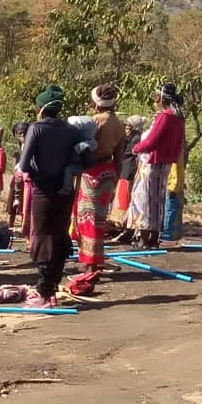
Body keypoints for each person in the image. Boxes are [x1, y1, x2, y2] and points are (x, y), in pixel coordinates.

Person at [19, 85, 94, 308]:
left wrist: (37, 169)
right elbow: (89, 160)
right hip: (65, 190)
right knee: (59, 234)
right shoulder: (71, 131)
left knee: (43, 235)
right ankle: (51, 288)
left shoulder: (37, 128)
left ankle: (43, 291)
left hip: (44, 189)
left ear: (41, 108)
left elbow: (24, 164)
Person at [127, 83, 186, 249]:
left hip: (152, 162)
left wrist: (136, 148)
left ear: (162, 98)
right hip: (165, 162)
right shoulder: (178, 116)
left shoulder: (165, 116)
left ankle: (144, 239)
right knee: (158, 200)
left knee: (145, 199)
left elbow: (153, 140)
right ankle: (153, 238)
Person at [74, 85, 125, 270]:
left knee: (88, 217)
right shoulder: (119, 124)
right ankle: (92, 260)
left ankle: (90, 263)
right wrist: (116, 180)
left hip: (92, 171)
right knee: (99, 218)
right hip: (109, 172)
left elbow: (85, 147)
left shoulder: (95, 121)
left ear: (96, 103)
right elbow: (119, 156)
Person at [110, 115, 147, 232]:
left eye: (129, 126)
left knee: (124, 195)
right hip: (125, 170)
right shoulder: (132, 137)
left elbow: (127, 153)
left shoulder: (136, 138)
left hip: (128, 170)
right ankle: (120, 223)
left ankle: (123, 223)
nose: (127, 128)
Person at [8, 122, 30, 230]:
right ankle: (10, 225)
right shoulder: (20, 146)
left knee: (25, 202)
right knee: (13, 197)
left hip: (27, 177)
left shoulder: (31, 143)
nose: (22, 136)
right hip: (18, 175)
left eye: (23, 133)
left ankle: (24, 225)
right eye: (19, 134)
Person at [161, 157, 186, 244]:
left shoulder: (175, 152)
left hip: (172, 187)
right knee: (173, 211)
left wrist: (173, 186)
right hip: (176, 186)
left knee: (170, 211)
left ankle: (168, 237)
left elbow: (174, 170)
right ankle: (172, 237)